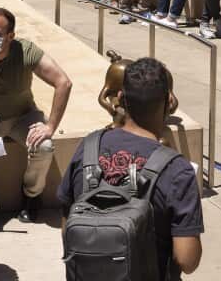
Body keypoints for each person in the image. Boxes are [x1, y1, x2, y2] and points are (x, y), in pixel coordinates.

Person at [57, 58, 204, 279]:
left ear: (120, 98)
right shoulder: (177, 170)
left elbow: (67, 228)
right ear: (168, 102)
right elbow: (187, 260)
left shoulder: (87, 148)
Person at [0, 7, 73, 222]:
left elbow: (63, 82)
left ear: (10, 36)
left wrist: (50, 126)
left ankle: (31, 195)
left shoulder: (25, 51)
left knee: (44, 147)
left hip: (23, 117)